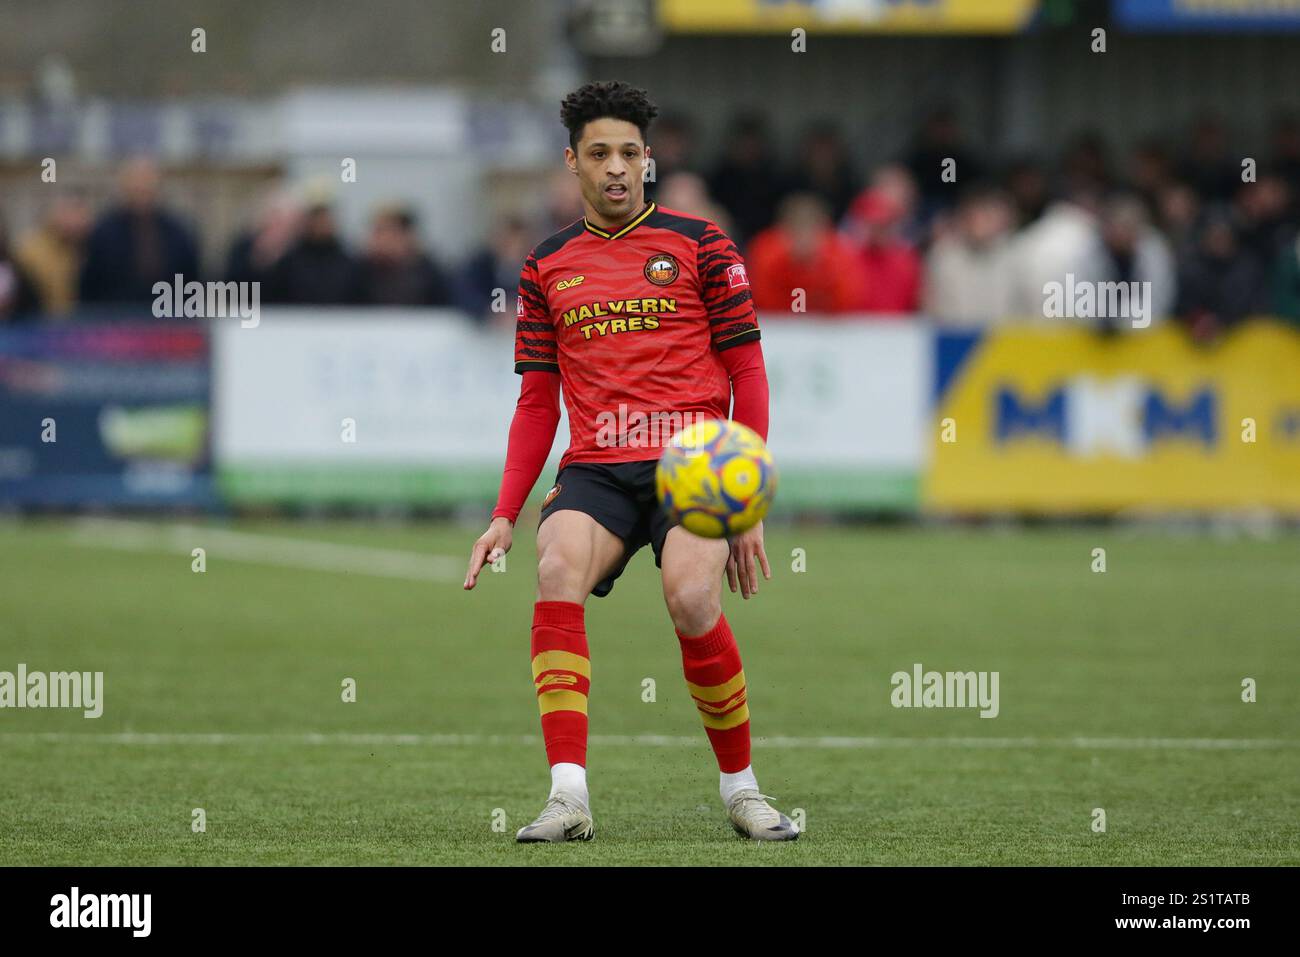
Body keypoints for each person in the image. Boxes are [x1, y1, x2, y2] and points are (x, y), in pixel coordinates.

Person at [463, 80, 797, 844]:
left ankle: (742, 789)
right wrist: (504, 514)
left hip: (695, 462)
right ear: (572, 163)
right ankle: (568, 796)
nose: (616, 169)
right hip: (597, 467)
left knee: (688, 597)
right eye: (599, 154)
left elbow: (748, 372)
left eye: (629, 154)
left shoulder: (702, 243)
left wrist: (745, 504)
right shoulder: (546, 264)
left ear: (648, 160)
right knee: (554, 571)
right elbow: (538, 403)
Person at [79, 156, 200, 305]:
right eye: (136, 182)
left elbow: (192, 282)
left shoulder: (178, 232)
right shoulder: (103, 233)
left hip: (170, 318)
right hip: (115, 318)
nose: (141, 188)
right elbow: (90, 285)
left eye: (147, 182)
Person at [747, 192, 867, 314]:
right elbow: (759, 298)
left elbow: (850, 300)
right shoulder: (766, 249)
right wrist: (789, 263)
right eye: (796, 227)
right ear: (782, 228)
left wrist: (819, 266)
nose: (804, 237)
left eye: (811, 227)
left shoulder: (839, 251)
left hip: (826, 329)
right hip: (778, 327)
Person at [353, 205, 453, 306]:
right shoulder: (358, 273)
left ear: (406, 236)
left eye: (386, 232)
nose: (379, 239)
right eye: (376, 232)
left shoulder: (431, 275)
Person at [15, 192, 91, 318]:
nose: (77, 221)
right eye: (68, 213)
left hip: (74, 322)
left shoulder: (86, 247)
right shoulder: (30, 250)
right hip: (38, 324)